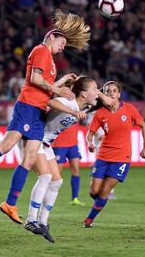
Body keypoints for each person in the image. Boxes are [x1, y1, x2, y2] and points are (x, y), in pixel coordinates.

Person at [0, 9, 91, 225]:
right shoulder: (41, 50)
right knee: (7, 144)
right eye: (61, 43)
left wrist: (61, 83)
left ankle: (10, 203)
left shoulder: (50, 60)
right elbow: (34, 79)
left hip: (39, 112)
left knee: (30, 157)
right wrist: (57, 89)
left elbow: (46, 90)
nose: (62, 48)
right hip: (28, 106)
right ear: (52, 36)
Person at [23, 76, 114, 242]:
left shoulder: (84, 106)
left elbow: (104, 101)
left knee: (57, 182)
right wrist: (72, 112)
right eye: (95, 90)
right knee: (46, 177)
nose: (98, 93)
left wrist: (102, 96)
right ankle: (31, 219)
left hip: (46, 144)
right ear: (84, 94)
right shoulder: (70, 102)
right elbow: (50, 102)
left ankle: (42, 222)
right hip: (33, 138)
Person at [83, 81, 145, 228]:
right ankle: (99, 202)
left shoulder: (129, 109)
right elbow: (90, 133)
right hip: (103, 156)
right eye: (108, 91)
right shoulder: (100, 113)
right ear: (104, 95)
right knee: (94, 192)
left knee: (105, 190)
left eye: (114, 90)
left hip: (121, 158)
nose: (111, 93)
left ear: (119, 94)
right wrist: (90, 143)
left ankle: (89, 220)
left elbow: (143, 125)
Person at [51, 122, 85, 206]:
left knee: (76, 171)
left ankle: (75, 198)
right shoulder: (62, 110)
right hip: (59, 145)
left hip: (73, 144)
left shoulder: (75, 110)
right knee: (57, 174)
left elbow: (83, 119)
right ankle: (50, 197)